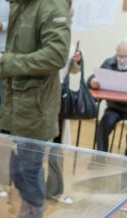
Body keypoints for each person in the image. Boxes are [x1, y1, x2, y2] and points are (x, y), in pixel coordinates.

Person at [0, 0, 71, 218]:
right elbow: (17, 57)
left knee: (30, 166)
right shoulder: (20, 6)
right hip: (15, 105)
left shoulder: (50, 4)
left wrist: (6, 62)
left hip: (36, 107)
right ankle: (29, 211)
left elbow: (57, 55)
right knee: (12, 160)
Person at [46, 40, 82, 205]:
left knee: (56, 146)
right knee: (33, 148)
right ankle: (30, 189)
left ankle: (54, 189)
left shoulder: (67, 41)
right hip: (37, 96)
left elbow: (73, 70)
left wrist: (77, 61)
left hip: (58, 98)